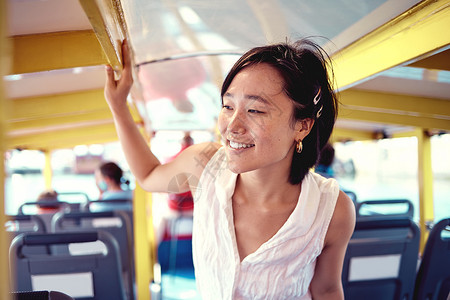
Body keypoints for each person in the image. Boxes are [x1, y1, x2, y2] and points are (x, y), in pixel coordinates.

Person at [105, 38, 355, 299]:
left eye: (255, 110)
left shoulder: (331, 210)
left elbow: (326, 289)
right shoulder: (204, 166)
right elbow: (148, 176)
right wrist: (118, 106)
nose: (231, 126)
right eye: (228, 106)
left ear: (302, 126)